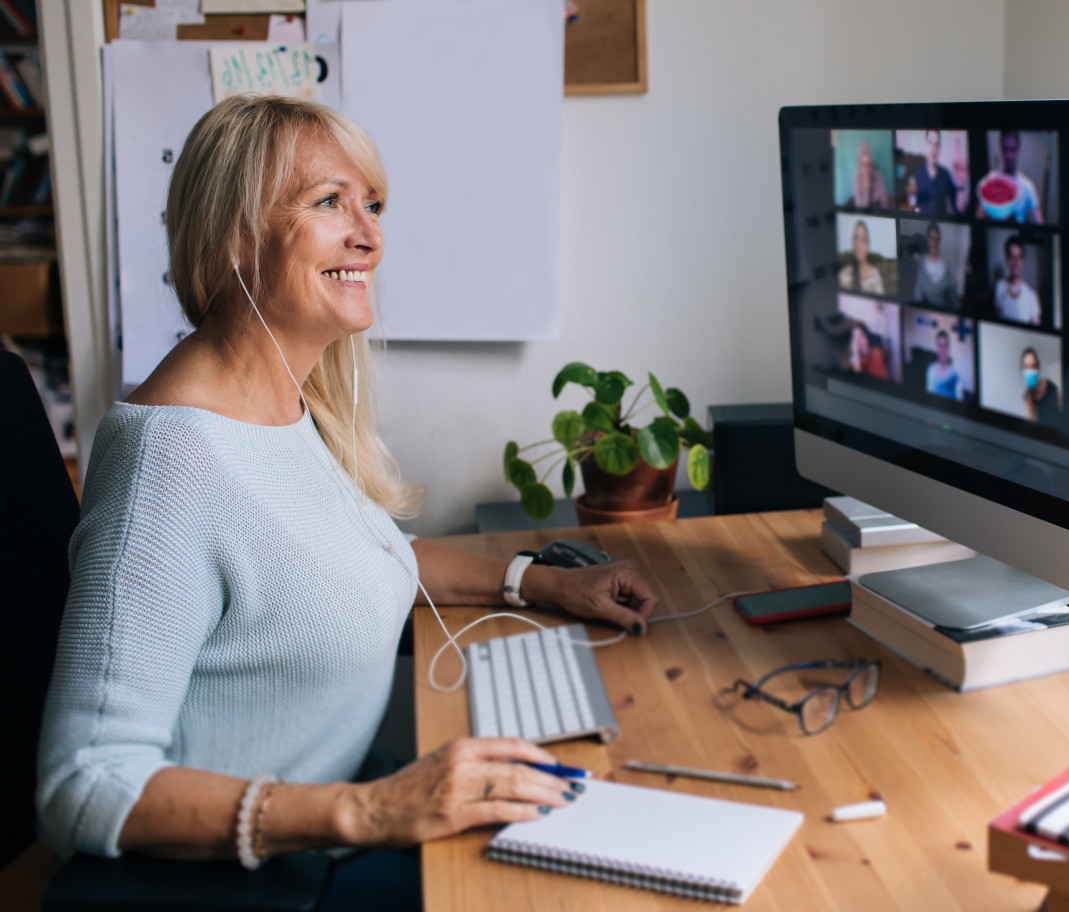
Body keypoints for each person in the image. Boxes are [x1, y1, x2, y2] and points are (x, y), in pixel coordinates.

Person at [35, 96, 660, 908]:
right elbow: (81, 784)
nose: (369, 234)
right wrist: (368, 810)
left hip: (326, 835)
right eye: (329, 202)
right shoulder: (170, 463)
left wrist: (539, 581)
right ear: (234, 236)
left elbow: (346, 562)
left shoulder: (286, 404)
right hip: (241, 882)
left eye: (372, 205)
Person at [977, 129, 1044, 224]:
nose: (1008, 156)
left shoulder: (1028, 186)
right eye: (1005, 149)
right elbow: (978, 216)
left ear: (1017, 151)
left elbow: (1040, 223)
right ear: (1001, 150)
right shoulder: (990, 180)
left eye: (1012, 150)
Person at [994, 236, 1042, 326]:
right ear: (1007, 259)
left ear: (1023, 260)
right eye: (1012, 257)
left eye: (1019, 257)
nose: (1016, 263)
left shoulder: (1032, 295)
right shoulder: (999, 286)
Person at [911, 222, 958, 309]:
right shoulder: (922, 264)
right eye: (932, 238)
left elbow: (954, 297)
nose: (935, 242)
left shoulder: (947, 265)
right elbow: (918, 293)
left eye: (937, 239)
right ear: (928, 240)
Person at [913, 131, 958, 215]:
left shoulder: (946, 174)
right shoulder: (918, 172)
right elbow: (915, 202)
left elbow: (954, 208)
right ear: (925, 145)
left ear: (940, 148)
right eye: (930, 143)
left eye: (936, 144)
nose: (933, 148)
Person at [838, 219, 885, 295]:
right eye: (855, 238)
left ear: (868, 246)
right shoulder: (843, 274)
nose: (858, 244)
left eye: (862, 240)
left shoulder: (875, 274)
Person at [1021, 347, 1062, 422]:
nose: (1029, 371)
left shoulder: (1051, 386)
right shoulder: (1026, 395)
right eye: (1026, 367)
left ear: (1038, 368)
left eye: (1033, 366)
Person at [849, 139, 890, 210]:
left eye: (869, 164)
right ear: (859, 164)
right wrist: (866, 189)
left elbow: (884, 202)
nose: (866, 169)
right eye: (863, 165)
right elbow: (861, 209)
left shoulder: (878, 174)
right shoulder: (856, 179)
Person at [925, 331, 960, 400]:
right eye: (940, 346)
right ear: (937, 348)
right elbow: (929, 397)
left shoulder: (955, 375)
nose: (943, 350)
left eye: (945, 345)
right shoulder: (930, 370)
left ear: (949, 348)